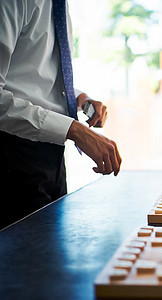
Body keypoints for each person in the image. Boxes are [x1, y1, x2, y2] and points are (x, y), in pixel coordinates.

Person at [0, 0, 121, 229]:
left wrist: (79, 98)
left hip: (52, 155)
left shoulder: (59, 5)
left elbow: (34, 80)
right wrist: (75, 130)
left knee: (51, 252)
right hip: (13, 155)